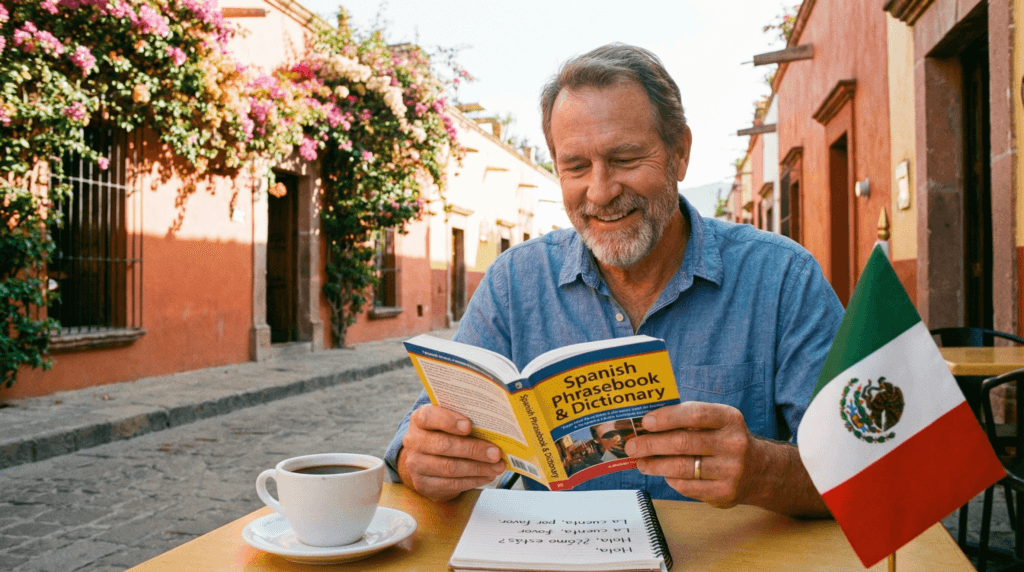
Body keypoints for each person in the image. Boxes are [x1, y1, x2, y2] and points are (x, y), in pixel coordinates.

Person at [384, 43, 844, 518]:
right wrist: (424, 460)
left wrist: (762, 471)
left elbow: (864, 468)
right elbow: (415, 444)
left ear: (680, 153)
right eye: (576, 167)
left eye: (625, 159)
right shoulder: (514, 283)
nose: (601, 192)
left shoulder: (783, 279)